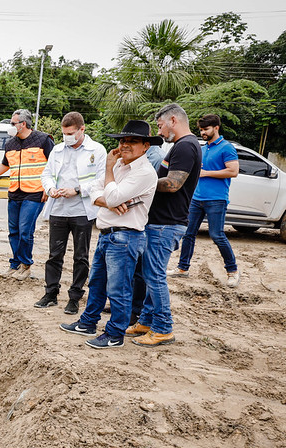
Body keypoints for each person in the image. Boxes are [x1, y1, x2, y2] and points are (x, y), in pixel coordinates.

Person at [60, 120, 159, 348]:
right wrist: (107, 201)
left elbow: (110, 195)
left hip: (125, 237)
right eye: (123, 140)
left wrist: (107, 182)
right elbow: (95, 190)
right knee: (97, 283)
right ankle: (88, 322)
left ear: (145, 146)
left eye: (132, 141)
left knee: (119, 289)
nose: (125, 145)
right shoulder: (119, 166)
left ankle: (115, 334)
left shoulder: (144, 172)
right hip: (108, 233)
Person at [127, 104, 201, 347]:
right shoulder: (181, 146)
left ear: (172, 119)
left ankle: (163, 328)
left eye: (160, 125)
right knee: (150, 275)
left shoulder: (186, 146)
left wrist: (144, 183)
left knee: (154, 276)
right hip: (161, 222)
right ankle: (147, 321)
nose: (160, 131)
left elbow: (173, 184)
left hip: (166, 224)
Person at [0, 109, 54, 280]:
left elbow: (55, 165)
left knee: (25, 230)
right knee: (13, 231)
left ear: (23, 124)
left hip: (35, 192)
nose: (10, 126)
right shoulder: (10, 144)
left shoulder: (43, 140)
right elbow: (5, 165)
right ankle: (14, 264)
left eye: (13, 123)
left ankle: (25, 265)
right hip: (15, 192)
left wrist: (48, 188)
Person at [36, 111, 106, 315]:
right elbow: (46, 174)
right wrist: (50, 189)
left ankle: (75, 297)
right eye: (64, 133)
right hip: (58, 208)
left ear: (82, 130)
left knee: (81, 256)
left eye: (71, 133)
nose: (67, 137)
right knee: (54, 254)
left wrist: (77, 189)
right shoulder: (57, 150)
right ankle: (50, 293)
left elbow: (101, 179)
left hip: (82, 210)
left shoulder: (97, 150)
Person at [171, 114, 240, 287]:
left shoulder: (227, 148)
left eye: (206, 129)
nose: (203, 133)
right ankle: (182, 268)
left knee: (217, 235)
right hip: (196, 198)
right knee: (188, 234)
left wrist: (207, 173)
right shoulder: (202, 148)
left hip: (216, 199)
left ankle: (232, 271)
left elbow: (233, 171)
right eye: (201, 130)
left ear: (216, 128)